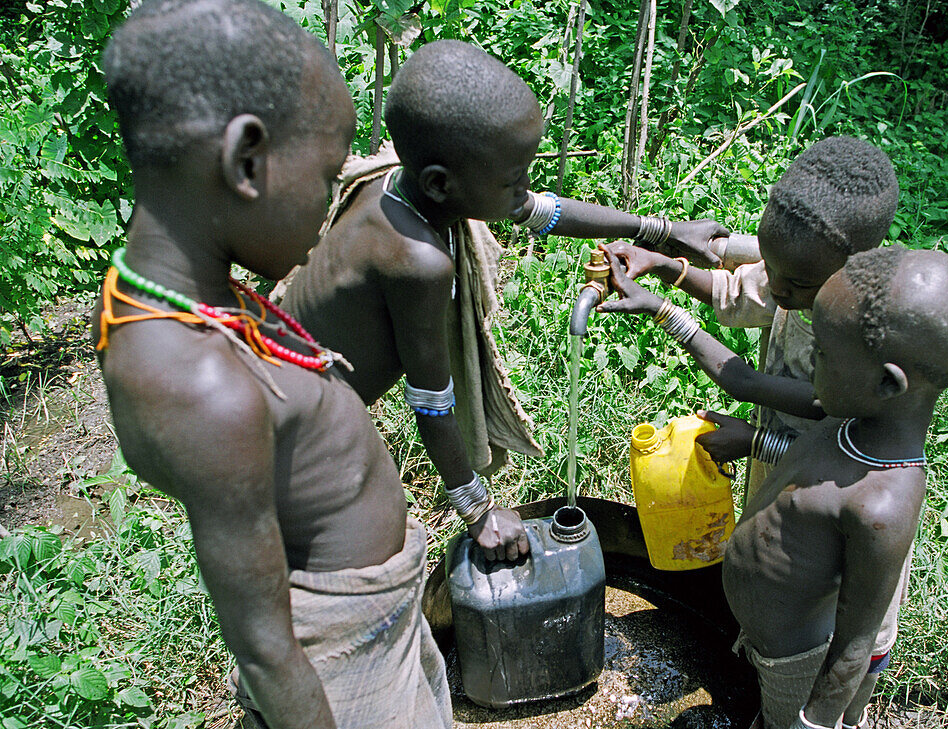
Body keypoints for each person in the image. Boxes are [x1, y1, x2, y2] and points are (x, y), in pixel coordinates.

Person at [94, 2, 450, 727]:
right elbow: (265, 646)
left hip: (378, 618)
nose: (329, 204)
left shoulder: (181, 294)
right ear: (247, 162)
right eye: (326, 176)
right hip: (338, 662)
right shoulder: (202, 387)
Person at [280, 39, 728, 561]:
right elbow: (430, 399)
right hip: (297, 440)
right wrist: (479, 511)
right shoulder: (416, 261)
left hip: (294, 393)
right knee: (364, 562)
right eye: (516, 180)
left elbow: (545, 211)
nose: (528, 188)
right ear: (442, 184)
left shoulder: (401, 186)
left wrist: (663, 232)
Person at [723, 246, 948, 728]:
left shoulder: (882, 507)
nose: (812, 364)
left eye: (822, 354)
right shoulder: (851, 420)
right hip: (772, 643)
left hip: (801, 668)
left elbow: (855, 646)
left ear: (889, 384)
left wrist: (815, 723)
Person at [599, 136, 899, 497]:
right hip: (775, 470)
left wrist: (660, 309)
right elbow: (733, 291)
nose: (776, 287)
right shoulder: (805, 273)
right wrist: (664, 265)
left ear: (856, 265)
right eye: (768, 266)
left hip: (826, 499)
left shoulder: (859, 340)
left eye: (795, 282)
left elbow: (745, 383)